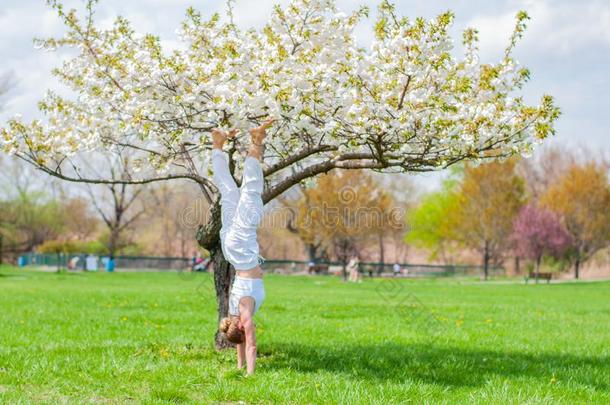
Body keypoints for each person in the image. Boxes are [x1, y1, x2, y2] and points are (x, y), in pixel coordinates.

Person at [213, 119, 274, 376]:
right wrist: (237, 366)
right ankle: (217, 146)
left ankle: (256, 140)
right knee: (228, 192)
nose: (251, 331)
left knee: (250, 192)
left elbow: (250, 345)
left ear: (242, 326)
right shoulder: (233, 313)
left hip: (242, 245)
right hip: (231, 249)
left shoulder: (245, 314)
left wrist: (249, 373)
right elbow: (240, 341)